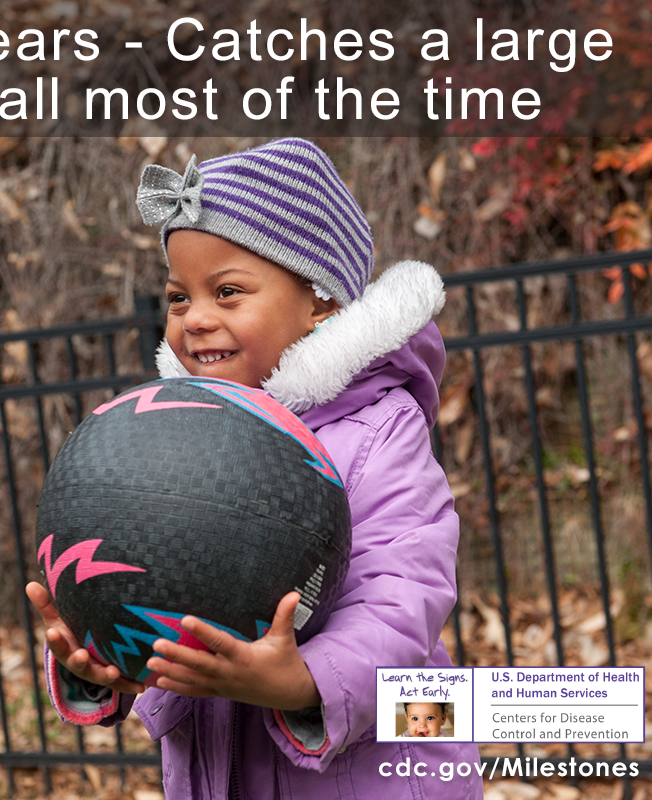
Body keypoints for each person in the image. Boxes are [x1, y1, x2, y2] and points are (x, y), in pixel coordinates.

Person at [27, 137, 484, 799]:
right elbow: (142, 574)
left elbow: (404, 592)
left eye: (229, 291)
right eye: (179, 298)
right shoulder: (170, 436)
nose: (195, 320)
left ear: (321, 302)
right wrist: (99, 652)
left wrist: (305, 682)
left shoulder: (377, 427)